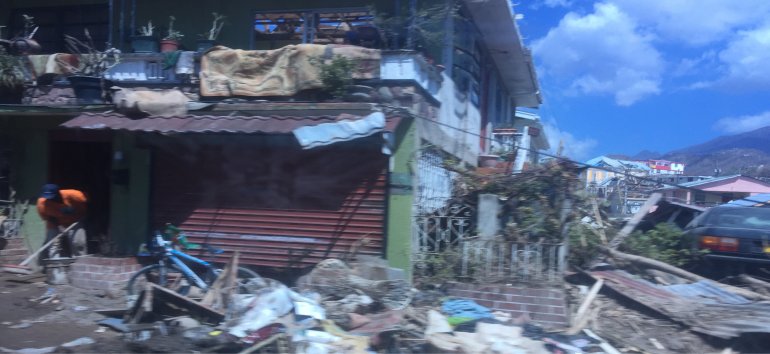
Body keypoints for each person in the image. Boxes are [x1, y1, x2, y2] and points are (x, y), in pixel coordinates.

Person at [36, 184, 88, 258]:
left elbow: (87, 202)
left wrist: (74, 210)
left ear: (58, 193)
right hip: (55, 223)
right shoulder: (42, 204)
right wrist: (60, 227)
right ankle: (55, 265)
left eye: (52, 197)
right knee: (53, 244)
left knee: (77, 242)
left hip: (75, 221)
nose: (49, 199)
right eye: (47, 198)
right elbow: (49, 218)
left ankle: (80, 263)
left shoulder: (73, 194)